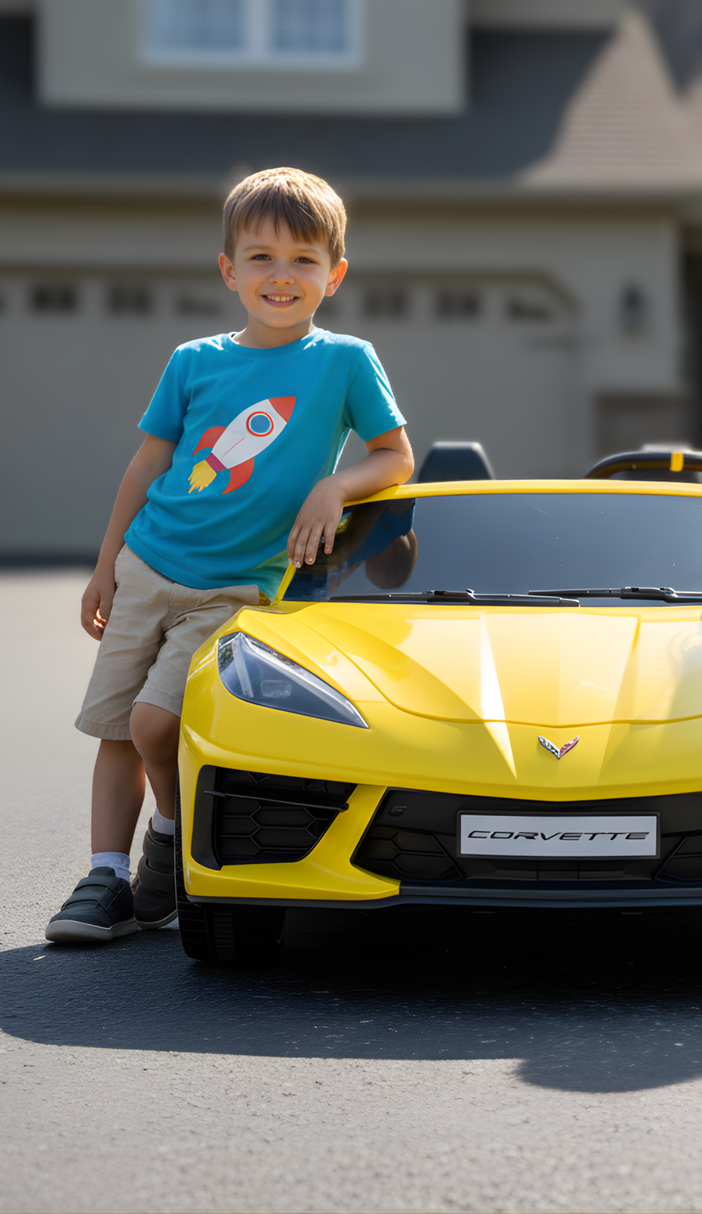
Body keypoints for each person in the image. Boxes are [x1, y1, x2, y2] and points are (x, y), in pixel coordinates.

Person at [46, 167, 414, 944]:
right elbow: (147, 466)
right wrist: (107, 564)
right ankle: (106, 878)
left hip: (239, 589)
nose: (281, 275)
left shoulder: (346, 361)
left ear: (335, 275)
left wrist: (334, 487)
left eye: (304, 259)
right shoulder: (193, 360)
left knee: (156, 724)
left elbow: (395, 456)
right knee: (118, 729)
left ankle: (168, 837)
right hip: (148, 564)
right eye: (261, 257)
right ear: (228, 270)